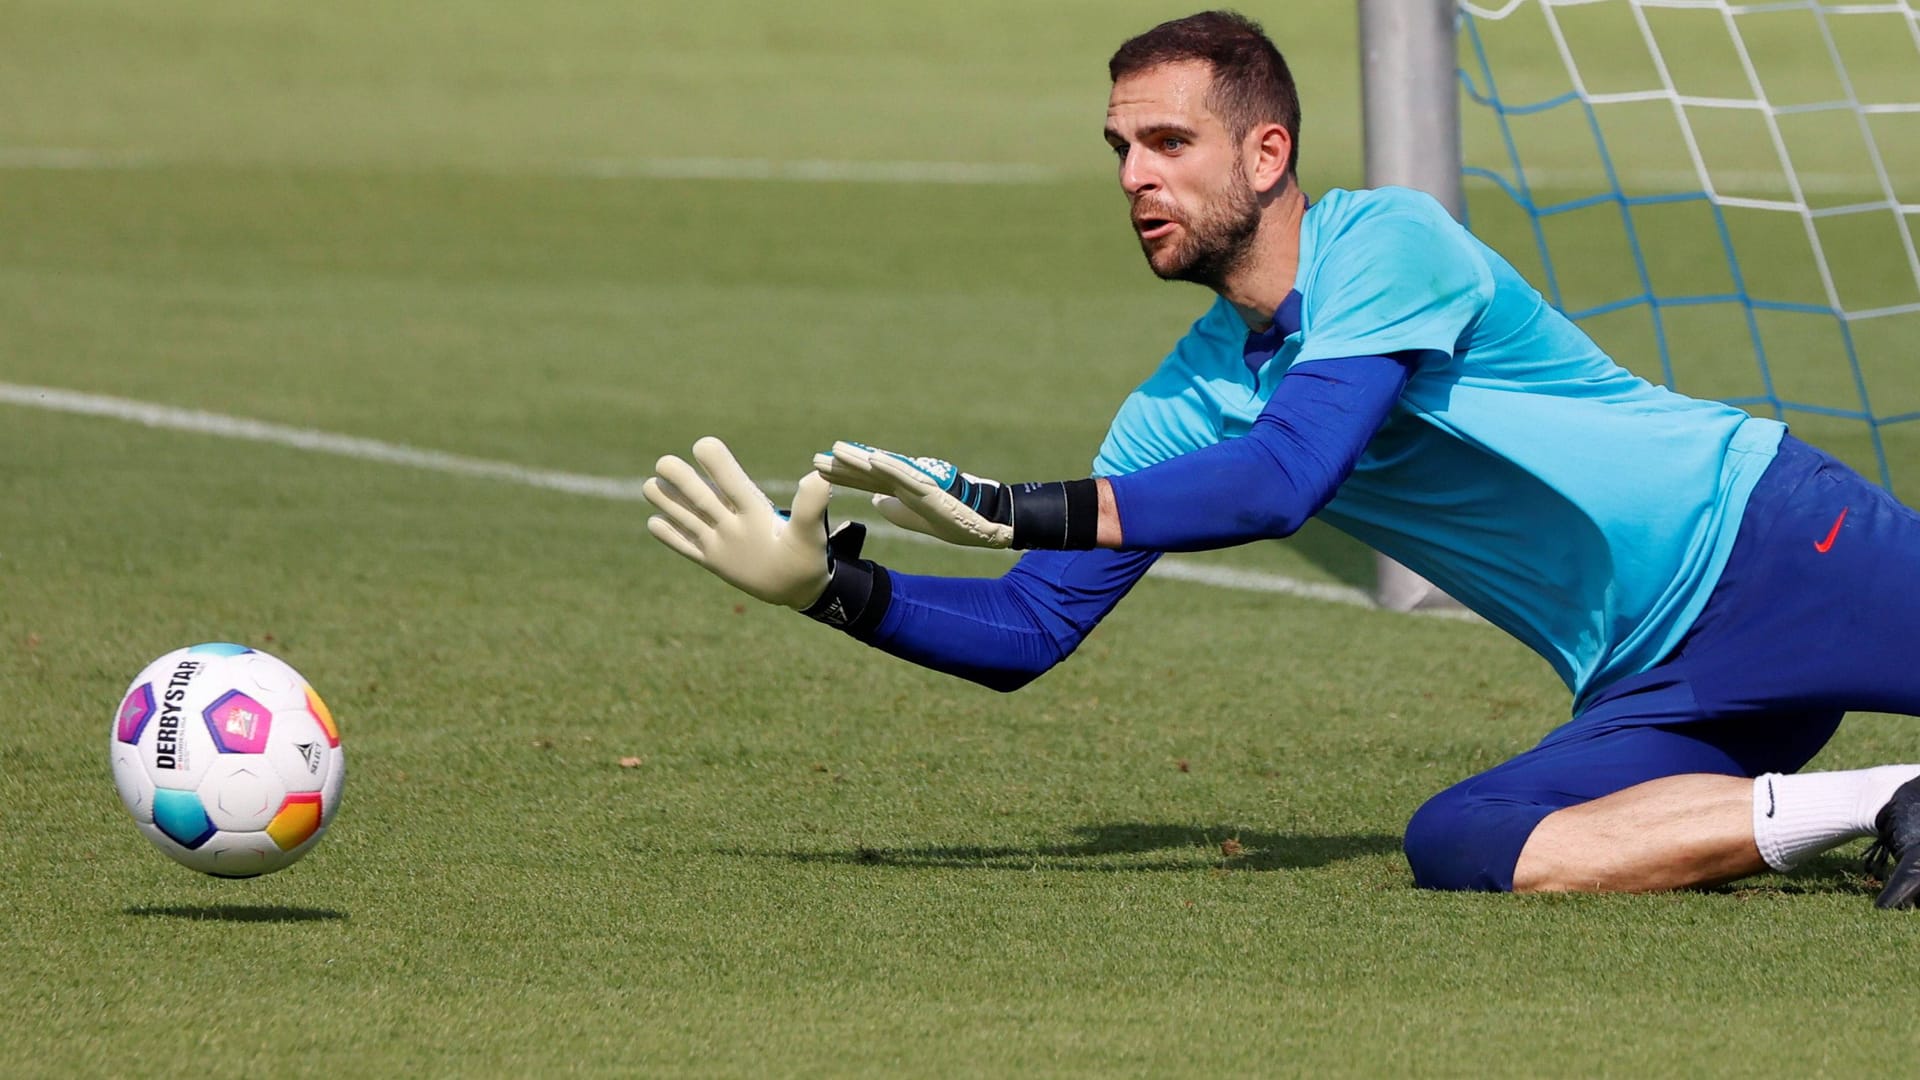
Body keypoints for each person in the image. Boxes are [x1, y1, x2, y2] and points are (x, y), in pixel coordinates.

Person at [642, 10, 1920, 904]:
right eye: (1120, 150)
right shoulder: (1176, 404)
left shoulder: (1389, 243)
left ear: (1268, 154)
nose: (1135, 177)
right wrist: (829, 591)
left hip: (1771, 541)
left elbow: (1282, 480)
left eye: (1167, 144)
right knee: (1465, 840)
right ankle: (1886, 801)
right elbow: (1029, 634)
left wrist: (1004, 503)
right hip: (1654, 676)